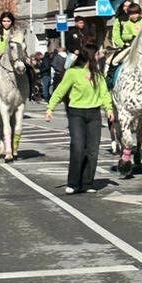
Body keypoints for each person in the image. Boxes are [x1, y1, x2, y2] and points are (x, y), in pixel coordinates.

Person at [45, 46, 115, 195]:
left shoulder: (98, 74)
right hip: (76, 113)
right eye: (97, 54)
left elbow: (104, 93)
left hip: (94, 114)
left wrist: (109, 109)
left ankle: (87, 182)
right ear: (90, 56)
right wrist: (50, 108)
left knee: (92, 151)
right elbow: (60, 90)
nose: (100, 56)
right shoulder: (72, 73)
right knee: (78, 148)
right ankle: (74, 183)